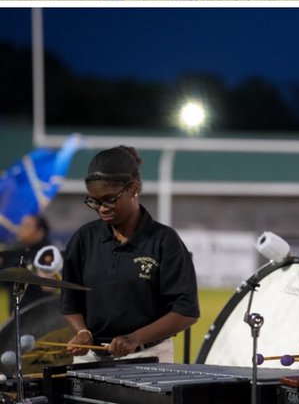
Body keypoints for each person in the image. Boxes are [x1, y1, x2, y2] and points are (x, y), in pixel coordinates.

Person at [59, 146, 199, 361]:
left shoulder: (164, 241)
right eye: (94, 202)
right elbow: (70, 302)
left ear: (133, 188)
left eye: (109, 199)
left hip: (149, 355)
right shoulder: (84, 239)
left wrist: (135, 338)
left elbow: (186, 312)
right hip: (90, 358)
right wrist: (82, 332)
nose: (102, 209)